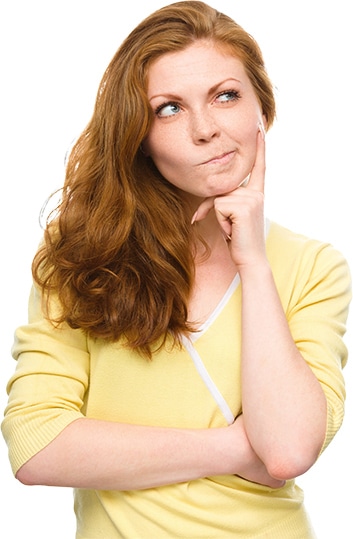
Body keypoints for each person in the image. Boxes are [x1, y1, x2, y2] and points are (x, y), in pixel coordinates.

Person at [2, 1, 351, 537]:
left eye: (226, 96)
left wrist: (252, 263)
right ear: (138, 136)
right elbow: (36, 444)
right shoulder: (83, 254)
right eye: (169, 108)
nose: (206, 129)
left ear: (263, 109)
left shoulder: (314, 267)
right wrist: (233, 446)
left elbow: (283, 452)